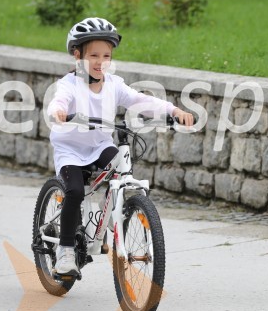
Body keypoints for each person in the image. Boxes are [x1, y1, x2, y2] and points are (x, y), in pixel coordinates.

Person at [46, 17, 194, 276]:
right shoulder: (69, 84)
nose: (100, 61)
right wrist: (58, 111)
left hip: (100, 144)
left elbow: (140, 101)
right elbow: (60, 100)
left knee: (121, 169)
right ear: (77, 55)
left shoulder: (114, 84)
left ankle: (113, 217)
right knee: (75, 191)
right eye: (93, 55)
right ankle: (66, 251)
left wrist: (173, 111)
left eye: (106, 55)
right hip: (71, 150)